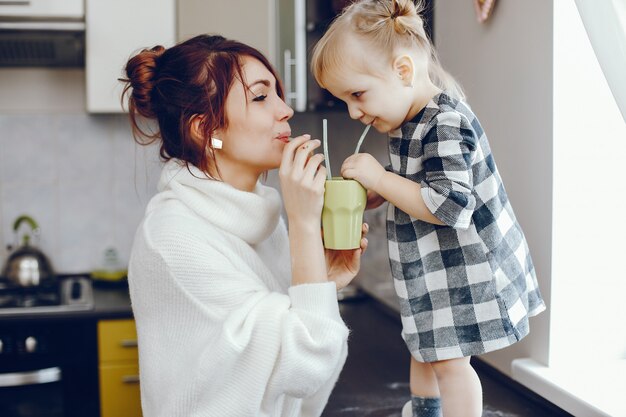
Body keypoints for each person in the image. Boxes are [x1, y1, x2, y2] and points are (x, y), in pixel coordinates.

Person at [310, 1, 545, 417]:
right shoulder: (409, 119)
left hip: (466, 271)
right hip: (437, 272)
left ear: (402, 71)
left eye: (357, 93)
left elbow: (450, 205)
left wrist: (381, 179)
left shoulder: (445, 122)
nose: (354, 111)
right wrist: (382, 189)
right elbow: (423, 183)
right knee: (425, 349)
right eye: (344, 99)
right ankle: (425, 411)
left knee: (451, 364)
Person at [121, 34, 369, 417]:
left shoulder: (259, 219)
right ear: (206, 130)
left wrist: (322, 279)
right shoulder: (173, 238)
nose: (285, 110)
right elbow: (307, 363)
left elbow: (301, 381)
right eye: (260, 97)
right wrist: (304, 222)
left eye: (277, 93)